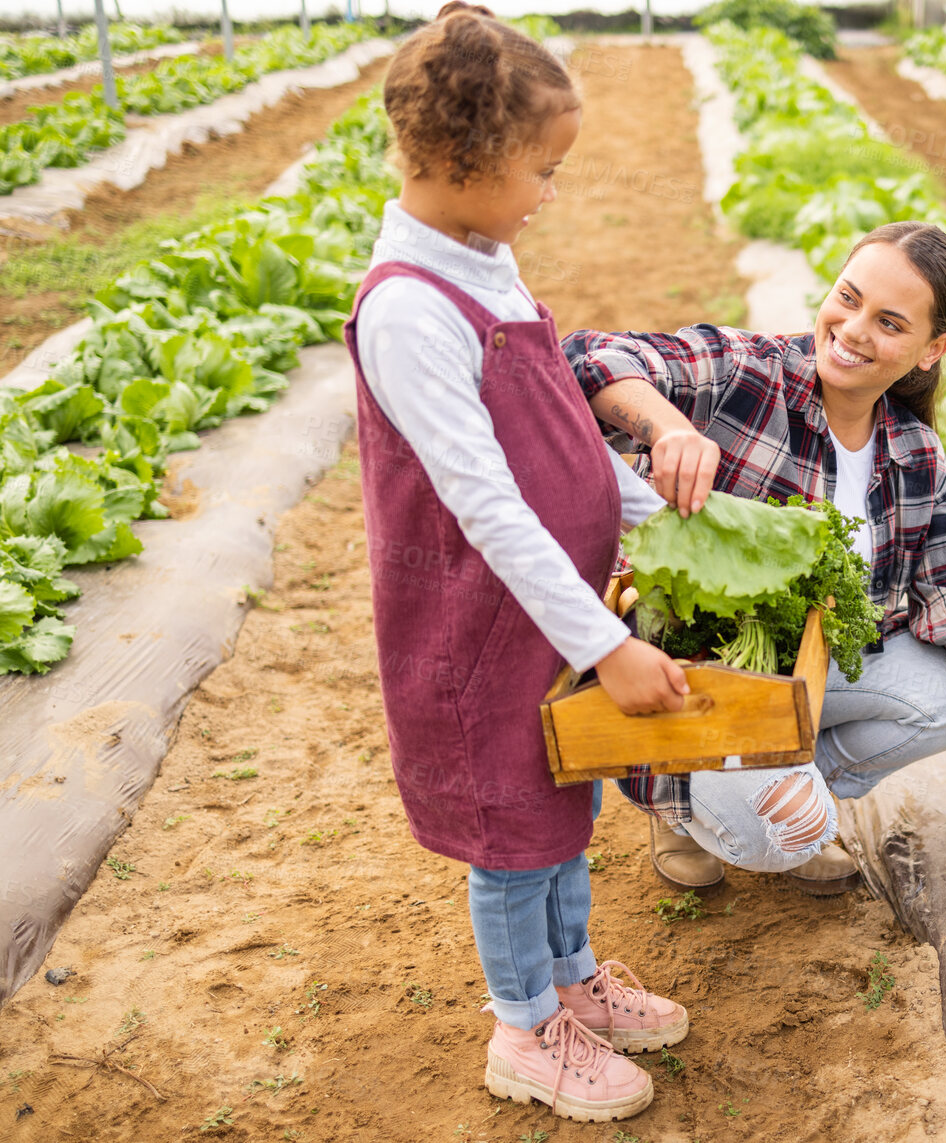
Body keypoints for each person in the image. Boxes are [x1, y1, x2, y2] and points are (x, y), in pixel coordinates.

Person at [563, 221, 946, 896]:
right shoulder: (747, 374)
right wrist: (670, 428)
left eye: (888, 322)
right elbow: (587, 358)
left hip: (797, 678)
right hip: (680, 678)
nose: (853, 330)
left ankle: (786, 787)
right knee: (788, 832)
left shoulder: (913, 454)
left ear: (930, 349)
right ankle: (685, 805)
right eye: (847, 299)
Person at [347, 4, 697, 1124]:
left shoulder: (485, 263)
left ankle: (573, 979)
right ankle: (521, 1028)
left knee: (565, 803)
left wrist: (660, 516)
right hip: (477, 624)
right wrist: (606, 644)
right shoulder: (409, 309)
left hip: (545, 611)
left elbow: (564, 443)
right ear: (462, 161)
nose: (550, 193)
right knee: (510, 830)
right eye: (540, 171)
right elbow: (488, 504)